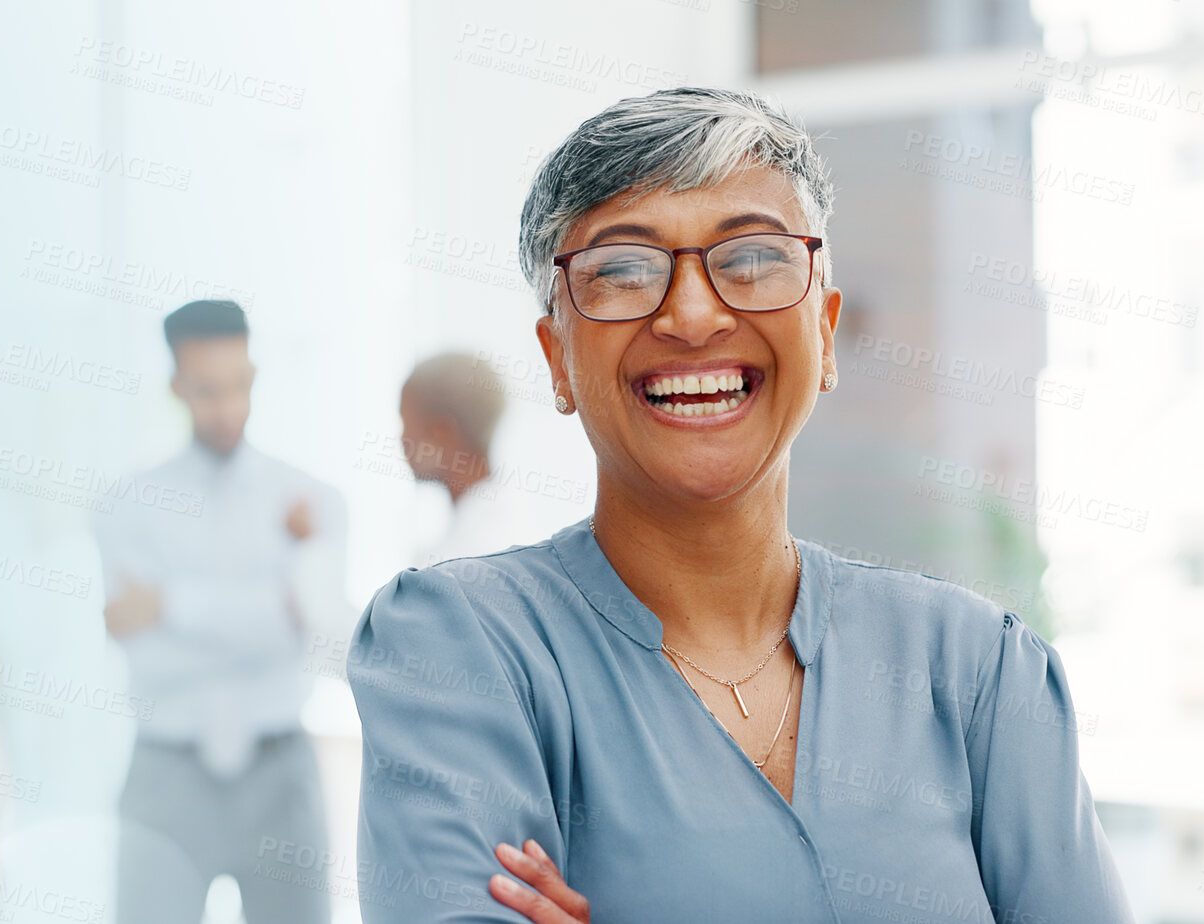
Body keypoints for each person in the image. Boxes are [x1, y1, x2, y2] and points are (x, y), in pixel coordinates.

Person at [349, 88, 1130, 923]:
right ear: (557, 359)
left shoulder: (978, 674)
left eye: (752, 259)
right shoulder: (460, 649)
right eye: (621, 270)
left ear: (824, 334)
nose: (691, 315)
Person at [96, 299, 346, 924]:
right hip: (167, 770)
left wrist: (170, 603)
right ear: (176, 385)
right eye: (207, 389)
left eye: (239, 385)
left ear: (255, 374)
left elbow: (314, 632)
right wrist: (268, 611)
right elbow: (148, 658)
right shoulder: (126, 506)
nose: (227, 407)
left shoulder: (312, 500)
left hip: (280, 769)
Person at [399, 352, 549, 566]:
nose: (401, 439)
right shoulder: (499, 524)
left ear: (442, 433)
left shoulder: (471, 553)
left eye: (406, 424)